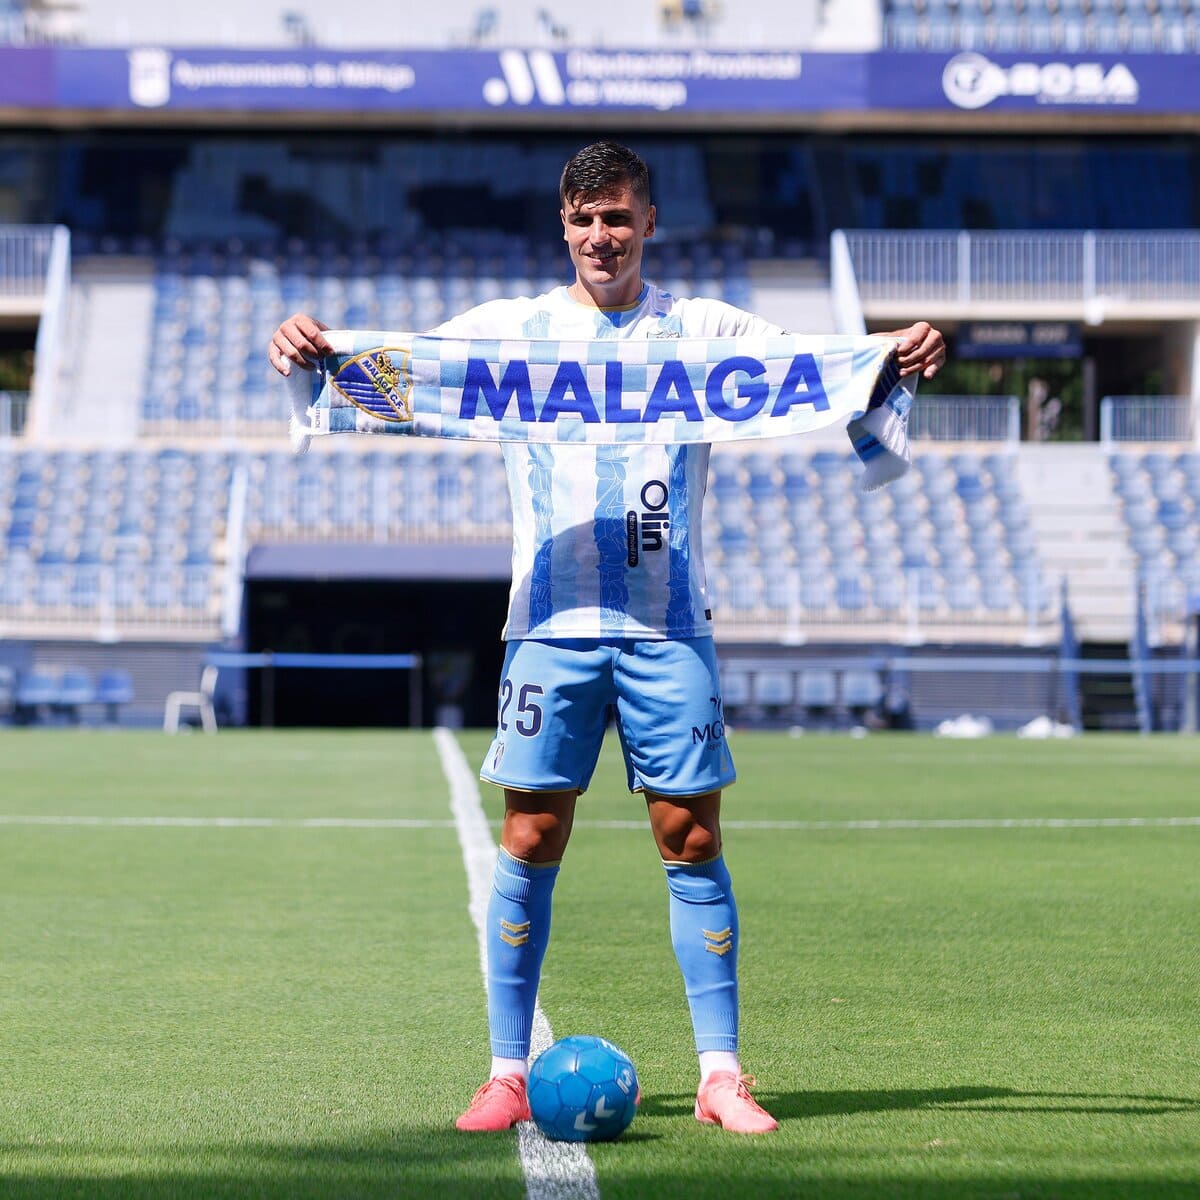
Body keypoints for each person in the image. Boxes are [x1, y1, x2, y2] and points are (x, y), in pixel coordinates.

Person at [269, 140, 945, 1136]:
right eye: (585, 220)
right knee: (532, 834)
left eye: (619, 217)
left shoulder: (702, 330)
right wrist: (312, 352)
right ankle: (506, 1070)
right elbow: (407, 380)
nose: (602, 236)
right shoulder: (517, 332)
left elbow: (810, 371)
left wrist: (890, 350)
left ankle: (721, 1075)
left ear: (649, 224)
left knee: (693, 837)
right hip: (549, 626)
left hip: (670, 625)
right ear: (564, 227)